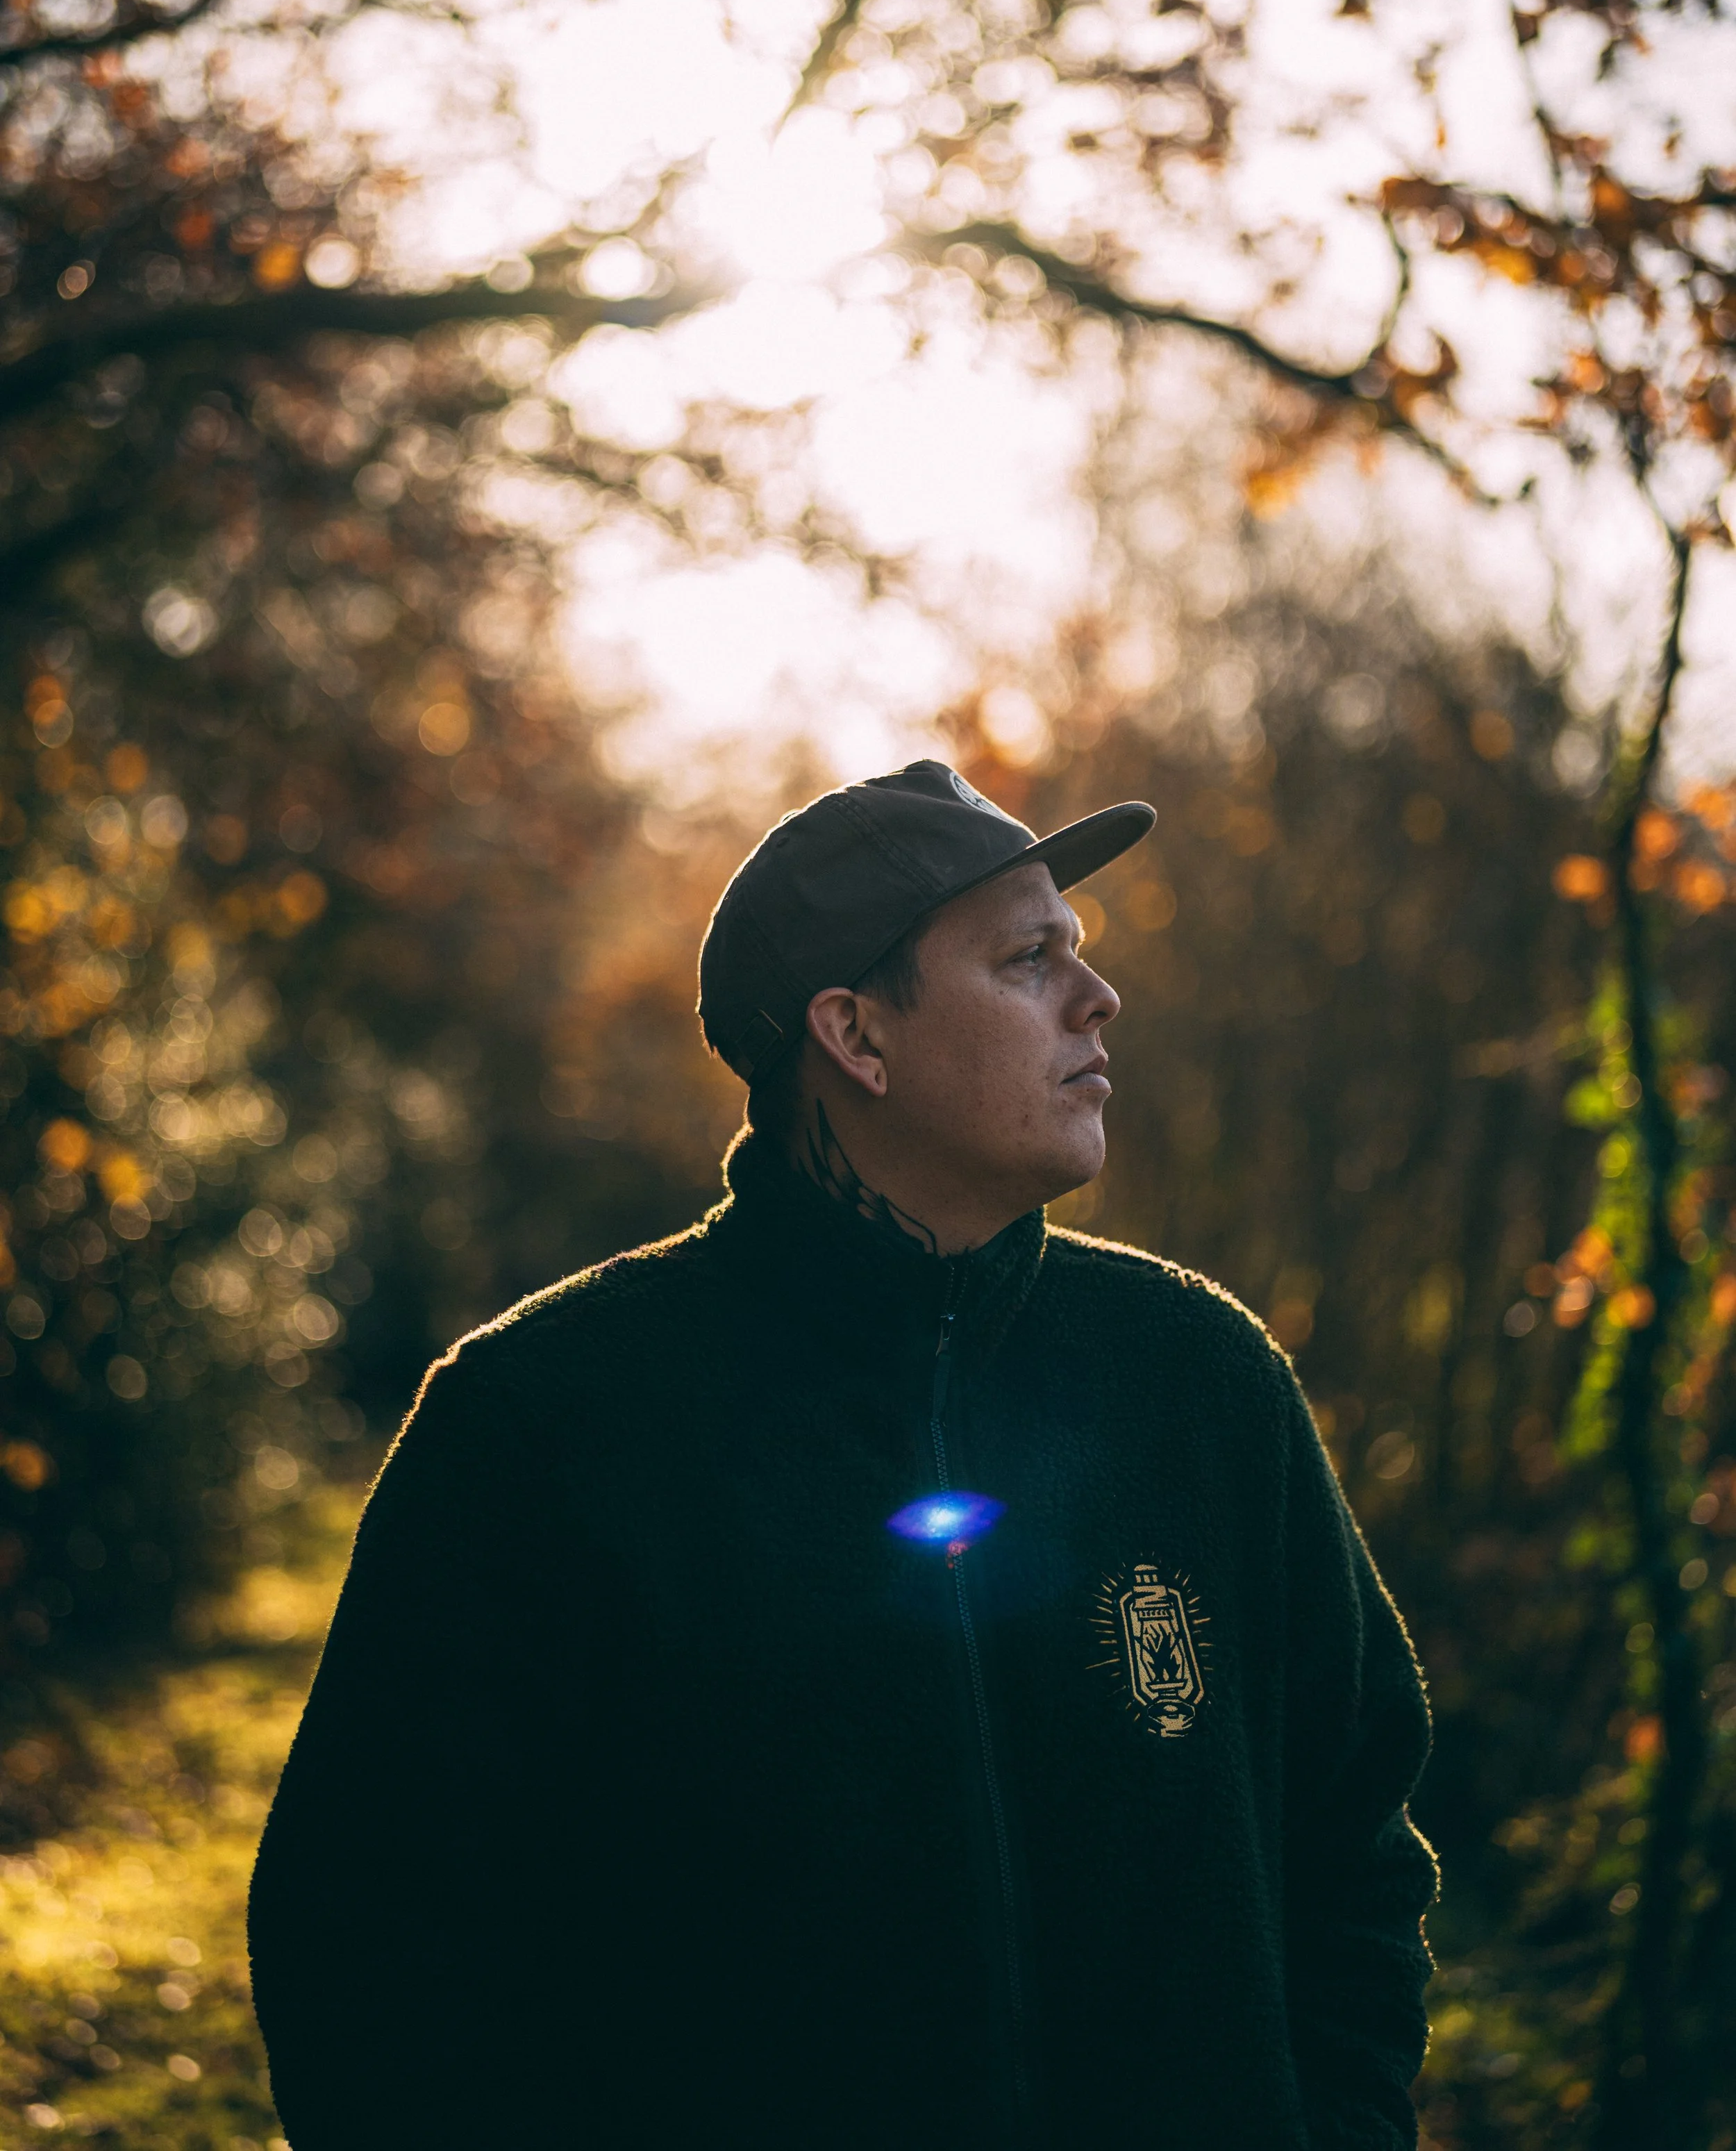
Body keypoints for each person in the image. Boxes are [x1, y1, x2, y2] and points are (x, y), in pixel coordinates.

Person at [249, 758, 1436, 2150]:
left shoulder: (1199, 1382)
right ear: (855, 1036)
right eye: (1026, 958)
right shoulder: (542, 1424)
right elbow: (374, 1950)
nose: (1095, 995)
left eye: (1081, 950)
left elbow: (1351, 1844)